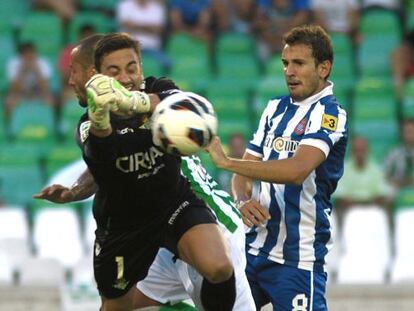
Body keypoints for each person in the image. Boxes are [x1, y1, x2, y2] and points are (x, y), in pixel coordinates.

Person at [34, 32, 238, 311]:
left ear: (141, 68)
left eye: (132, 68)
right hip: (123, 224)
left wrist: (136, 102)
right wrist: (99, 118)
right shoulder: (88, 124)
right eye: (114, 71)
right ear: (98, 76)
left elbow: (189, 106)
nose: (126, 78)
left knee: (219, 267)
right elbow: (102, 162)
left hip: (173, 203)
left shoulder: (159, 88)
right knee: (117, 305)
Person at [206, 25, 348, 310]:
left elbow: (296, 171)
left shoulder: (331, 115)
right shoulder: (274, 109)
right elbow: (244, 174)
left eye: (298, 63)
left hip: (297, 260)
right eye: (285, 63)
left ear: (323, 68)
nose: (289, 71)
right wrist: (243, 199)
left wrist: (227, 162)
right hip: (252, 250)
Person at [334, 136, 393, 230]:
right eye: (356, 150)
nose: (359, 153)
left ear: (367, 151)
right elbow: (340, 197)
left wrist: (368, 203)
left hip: (373, 209)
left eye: (362, 150)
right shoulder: (342, 169)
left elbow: (383, 193)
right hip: (349, 211)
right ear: (352, 152)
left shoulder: (376, 169)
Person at [116, 0, 172, 74]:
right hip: (129, 47)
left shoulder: (157, 7)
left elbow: (158, 29)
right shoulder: (125, 4)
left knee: (168, 63)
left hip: (152, 48)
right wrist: (149, 27)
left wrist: (135, 25)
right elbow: (126, 25)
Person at [5, 41, 54, 123]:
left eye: (30, 53)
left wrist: (36, 70)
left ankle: (51, 126)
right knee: (9, 102)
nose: (28, 56)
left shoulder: (42, 62)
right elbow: (13, 89)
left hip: (38, 93)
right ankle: (10, 128)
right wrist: (22, 70)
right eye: (25, 54)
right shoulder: (13, 63)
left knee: (50, 101)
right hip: (20, 93)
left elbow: (45, 88)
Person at [384, 118, 414, 191]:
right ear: (401, 134)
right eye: (406, 132)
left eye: (411, 131)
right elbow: (382, 172)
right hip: (398, 187)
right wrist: (391, 180)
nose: (409, 134)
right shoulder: (394, 153)